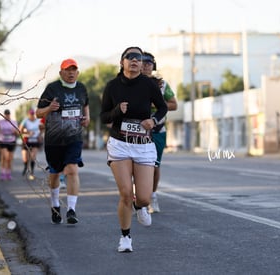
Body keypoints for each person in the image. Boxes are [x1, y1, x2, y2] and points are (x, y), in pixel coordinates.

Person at [100, 46, 167, 252]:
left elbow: (163, 107)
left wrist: (153, 120)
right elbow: (103, 117)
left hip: (144, 145)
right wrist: (116, 111)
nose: (135, 60)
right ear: (122, 62)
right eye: (130, 57)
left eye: (138, 58)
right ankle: (125, 237)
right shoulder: (112, 86)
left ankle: (140, 207)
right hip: (120, 144)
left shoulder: (149, 85)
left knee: (144, 197)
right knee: (126, 193)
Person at [36, 58, 90, 225]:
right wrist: (49, 108)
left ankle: (71, 210)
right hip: (54, 140)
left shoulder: (81, 88)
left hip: (74, 138)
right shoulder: (52, 89)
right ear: (61, 72)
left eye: (74, 69)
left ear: (78, 72)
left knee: (72, 169)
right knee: (54, 174)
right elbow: (38, 112)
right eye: (68, 70)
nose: (71, 72)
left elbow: (85, 104)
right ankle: (55, 205)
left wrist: (87, 117)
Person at [141, 52, 178, 213]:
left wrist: (158, 103)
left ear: (153, 66)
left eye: (149, 63)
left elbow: (174, 104)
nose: (146, 66)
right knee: (137, 166)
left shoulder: (162, 85)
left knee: (154, 166)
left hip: (157, 131)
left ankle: (153, 196)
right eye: (143, 62)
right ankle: (139, 197)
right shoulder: (132, 84)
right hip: (137, 131)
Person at [19, 109, 42, 180]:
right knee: (25, 158)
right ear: (28, 114)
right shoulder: (25, 120)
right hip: (26, 141)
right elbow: (20, 130)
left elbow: (42, 129)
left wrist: (40, 136)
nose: (32, 115)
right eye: (30, 114)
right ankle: (26, 167)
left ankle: (32, 172)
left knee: (33, 157)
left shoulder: (38, 121)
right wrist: (28, 132)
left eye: (33, 114)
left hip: (35, 141)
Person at [0, 109, 19, 181]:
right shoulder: (0, 122)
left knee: (9, 159)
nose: (7, 115)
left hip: (12, 141)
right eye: (6, 114)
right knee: (5, 157)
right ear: (4, 115)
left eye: (8, 114)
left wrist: (15, 131)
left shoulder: (14, 122)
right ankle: (3, 173)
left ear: (10, 114)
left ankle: (8, 174)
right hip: (3, 141)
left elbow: (18, 133)